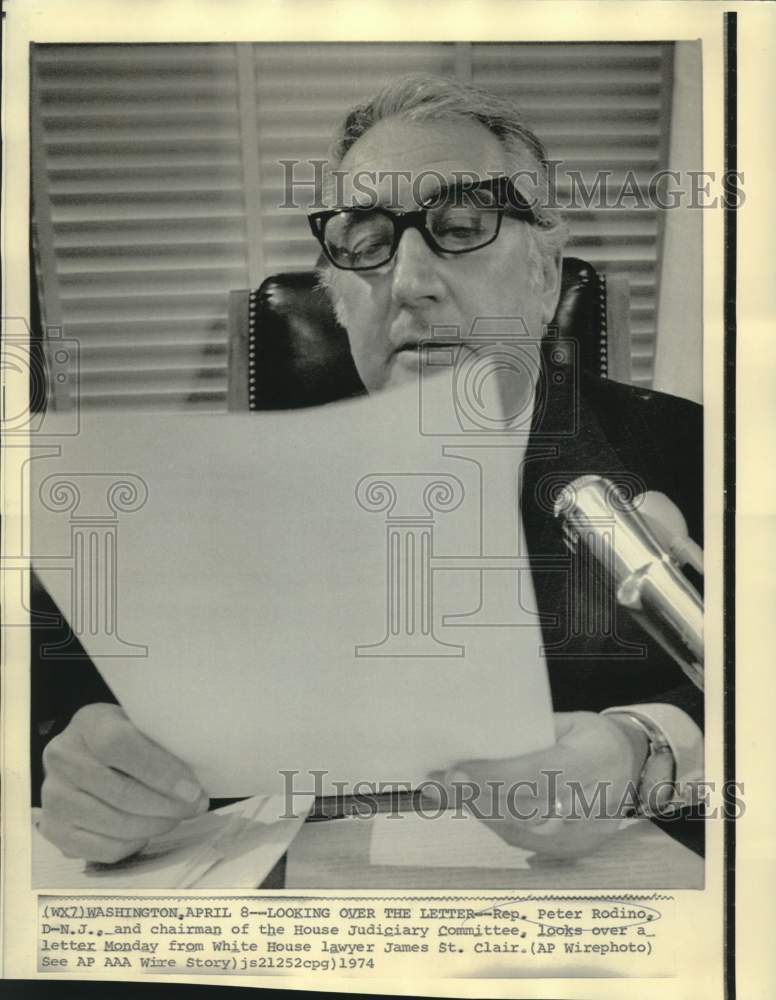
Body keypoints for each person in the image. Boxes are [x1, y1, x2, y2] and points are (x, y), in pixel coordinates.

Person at [33, 73, 703, 865]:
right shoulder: (210, 494)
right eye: (365, 242)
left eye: (463, 225)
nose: (410, 285)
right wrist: (82, 774)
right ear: (340, 300)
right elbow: (61, 718)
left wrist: (646, 747)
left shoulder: (692, 452)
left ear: (544, 273)